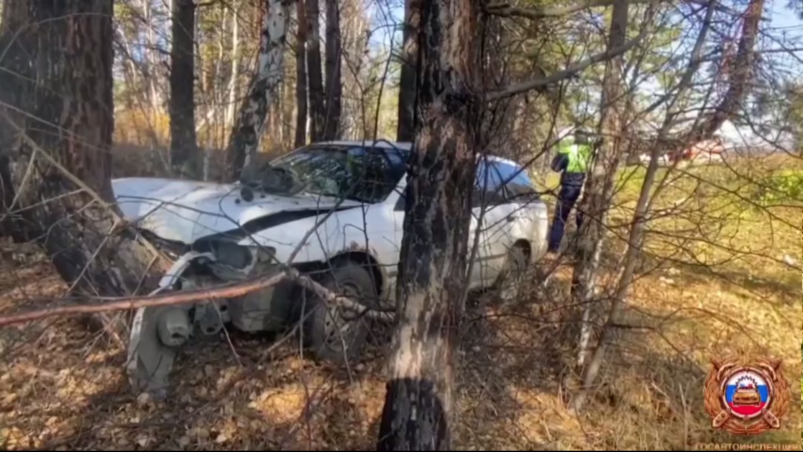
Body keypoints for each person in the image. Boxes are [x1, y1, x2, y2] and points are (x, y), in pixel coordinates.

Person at [547, 126, 593, 254]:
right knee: (582, 221)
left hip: (569, 187)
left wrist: (560, 153)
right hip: (585, 189)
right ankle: (579, 251)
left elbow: (555, 167)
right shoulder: (591, 152)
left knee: (560, 218)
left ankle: (553, 249)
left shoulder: (569, 151)